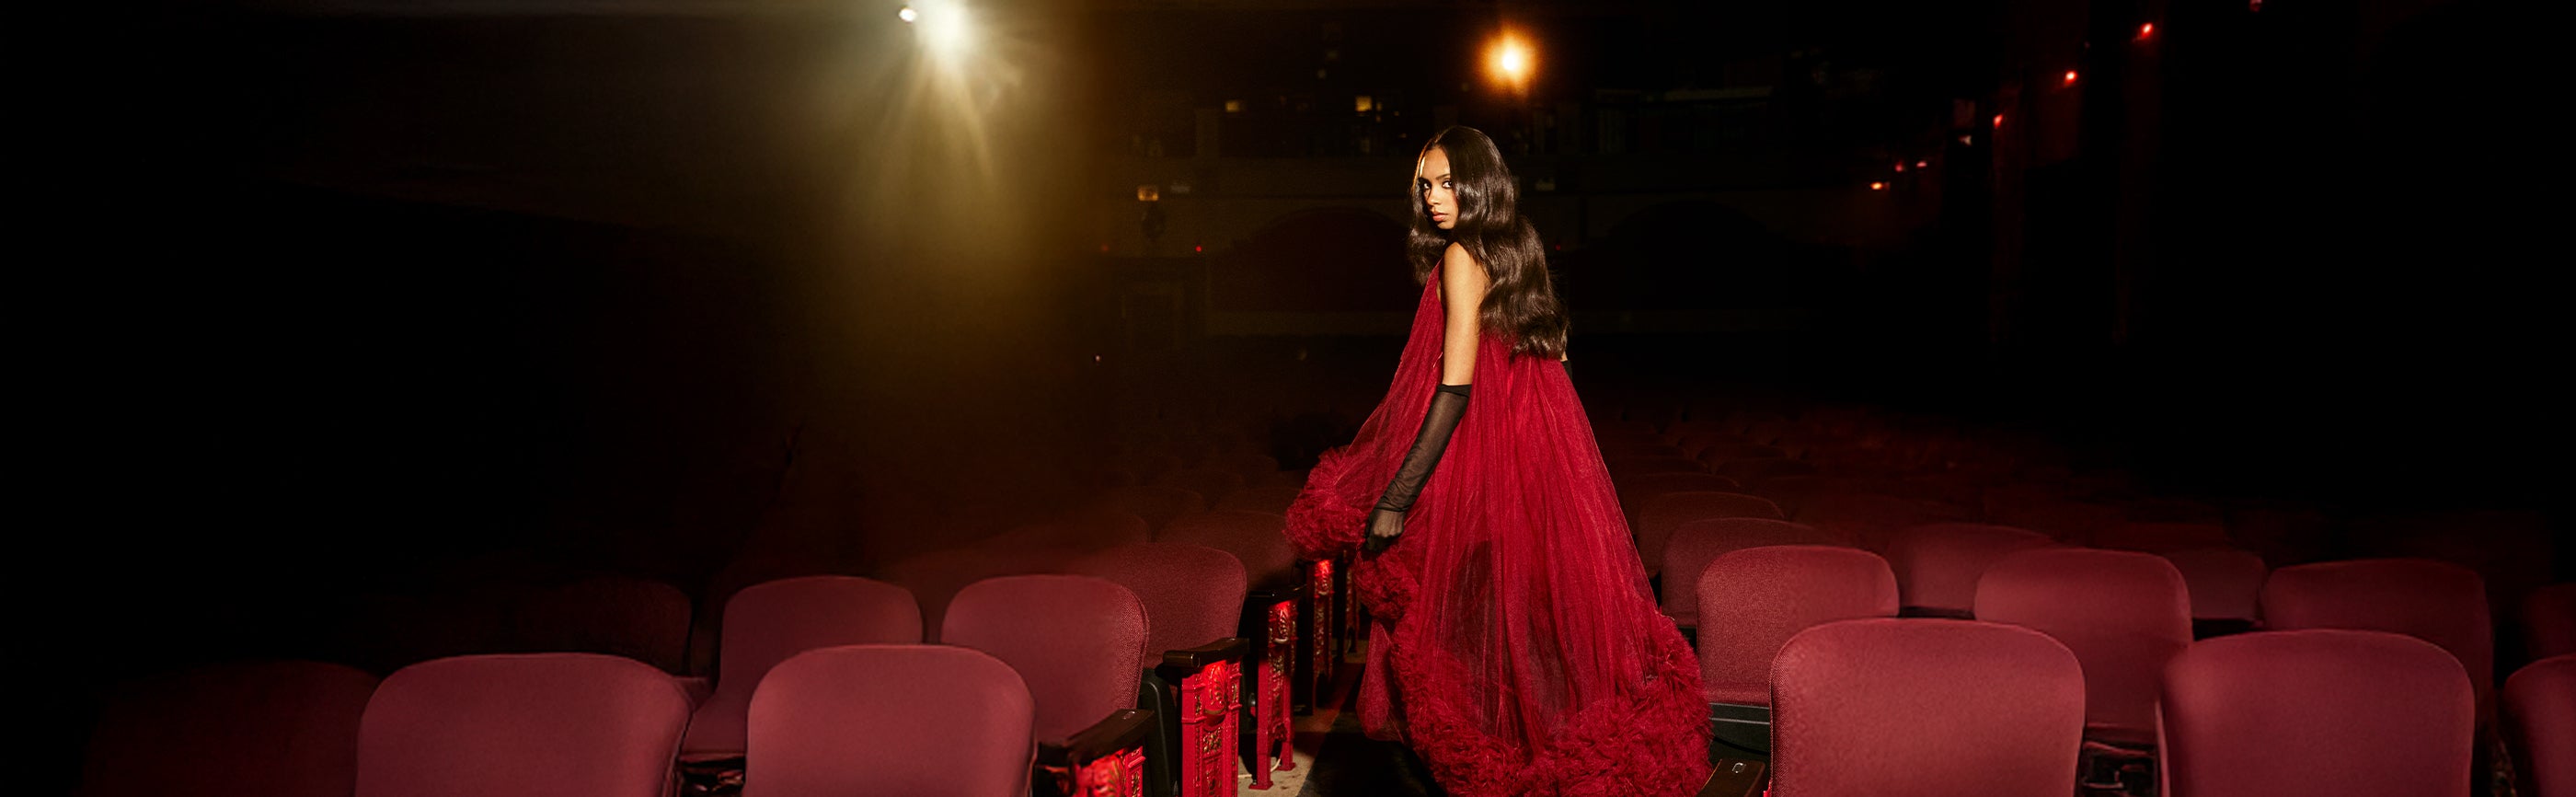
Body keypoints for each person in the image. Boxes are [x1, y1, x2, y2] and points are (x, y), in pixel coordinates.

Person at [1285, 126, 1711, 797]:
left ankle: (1504, 776)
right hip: (1532, 472)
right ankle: (1555, 771)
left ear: (1481, 180)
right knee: (1529, 641)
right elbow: (1556, 364)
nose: (1433, 197)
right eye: (1425, 185)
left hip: (1480, 474)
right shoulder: (1522, 247)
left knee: (1460, 639)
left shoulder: (1460, 256)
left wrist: (1395, 498)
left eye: (1448, 181)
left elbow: (1453, 390)